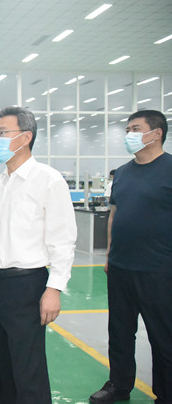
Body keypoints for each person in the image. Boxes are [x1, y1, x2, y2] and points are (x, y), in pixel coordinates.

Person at [0, 106, 77, 403]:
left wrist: (54, 289)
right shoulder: (0, 182)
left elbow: (63, 241)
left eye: (3, 133)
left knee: (27, 368)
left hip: (25, 286)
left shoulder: (48, 180)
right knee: (0, 365)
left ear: (26, 137)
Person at [89, 110, 172, 404]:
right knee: (120, 332)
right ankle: (119, 385)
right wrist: (109, 255)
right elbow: (115, 214)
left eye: (135, 129)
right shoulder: (123, 173)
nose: (129, 135)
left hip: (159, 270)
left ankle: (166, 393)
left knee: (163, 336)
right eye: (127, 130)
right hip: (121, 268)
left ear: (156, 133)